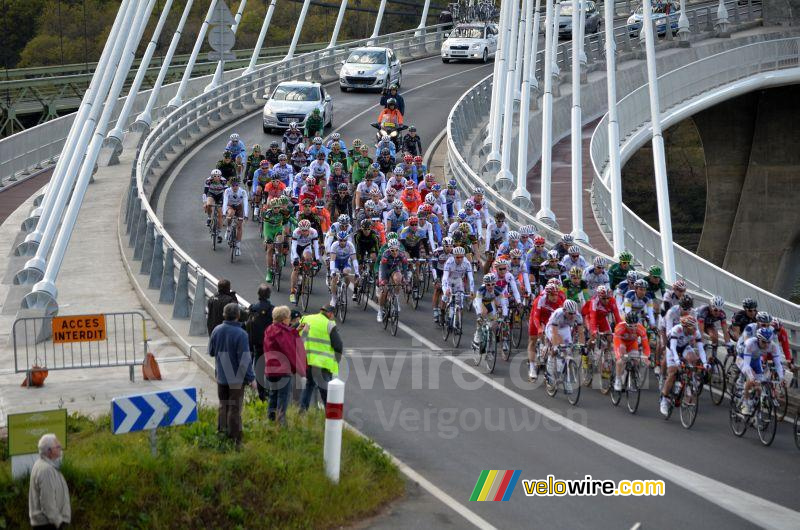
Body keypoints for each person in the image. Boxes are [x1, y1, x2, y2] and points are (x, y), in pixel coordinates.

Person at [209, 303, 256, 446]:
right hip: (236, 379)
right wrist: (251, 379)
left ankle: (221, 433)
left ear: (224, 315)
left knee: (223, 406)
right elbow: (244, 359)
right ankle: (235, 440)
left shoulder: (217, 330)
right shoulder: (241, 334)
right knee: (235, 409)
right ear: (238, 315)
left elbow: (211, 351)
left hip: (221, 376)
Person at [263, 306, 307, 425]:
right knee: (283, 398)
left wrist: (295, 329)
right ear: (283, 319)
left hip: (270, 369)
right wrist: (298, 369)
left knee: (273, 395)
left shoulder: (269, 329)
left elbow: (286, 334)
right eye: (288, 317)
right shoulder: (283, 332)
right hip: (283, 371)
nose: (289, 319)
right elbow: (289, 351)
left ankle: (270, 421)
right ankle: (281, 424)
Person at [299, 305, 344, 410]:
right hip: (322, 364)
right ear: (330, 314)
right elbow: (338, 345)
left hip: (307, 361)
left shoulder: (306, 318)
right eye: (333, 315)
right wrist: (337, 360)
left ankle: (302, 412)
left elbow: (293, 330)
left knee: (309, 385)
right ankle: (330, 415)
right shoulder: (329, 324)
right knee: (325, 391)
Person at [29, 434, 70, 530]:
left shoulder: (47, 466)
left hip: (48, 523)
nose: (61, 449)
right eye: (58, 447)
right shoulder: (45, 470)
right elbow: (47, 502)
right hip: (48, 524)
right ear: (49, 451)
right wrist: (58, 522)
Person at [247, 284, 274, 401]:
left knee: (259, 368)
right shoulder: (272, 309)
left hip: (257, 343)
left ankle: (261, 393)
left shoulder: (252, 308)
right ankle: (271, 391)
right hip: (270, 343)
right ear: (269, 295)